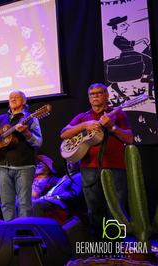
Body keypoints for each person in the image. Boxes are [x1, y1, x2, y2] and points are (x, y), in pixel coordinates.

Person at [60, 83, 133, 240]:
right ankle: (100, 248)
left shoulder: (117, 114)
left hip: (116, 167)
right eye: (92, 94)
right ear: (89, 97)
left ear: (106, 96)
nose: (95, 96)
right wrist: (85, 125)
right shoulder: (83, 117)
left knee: (116, 209)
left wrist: (112, 127)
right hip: (88, 167)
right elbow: (64, 134)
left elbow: (129, 138)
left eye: (99, 93)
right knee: (94, 209)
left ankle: (116, 248)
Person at [0, 90, 42, 220]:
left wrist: (26, 133)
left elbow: (38, 142)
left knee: (24, 203)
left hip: (24, 166)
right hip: (3, 166)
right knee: (6, 204)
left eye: (16, 97)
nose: (13, 99)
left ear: (24, 101)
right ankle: (10, 232)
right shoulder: (0, 119)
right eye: (11, 97)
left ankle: (26, 235)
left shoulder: (32, 118)